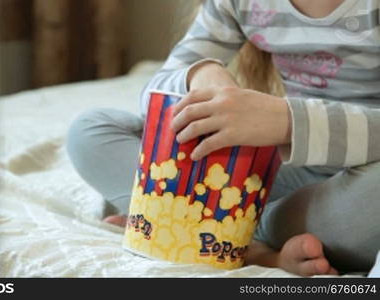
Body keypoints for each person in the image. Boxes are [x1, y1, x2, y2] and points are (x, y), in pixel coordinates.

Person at [66, 0, 380, 276]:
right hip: (284, 179)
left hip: (358, 183)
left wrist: (286, 122)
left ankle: (198, 226)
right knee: (92, 129)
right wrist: (201, 74)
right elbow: (156, 95)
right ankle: (243, 242)